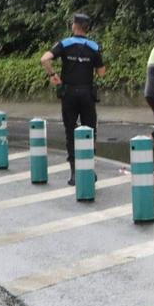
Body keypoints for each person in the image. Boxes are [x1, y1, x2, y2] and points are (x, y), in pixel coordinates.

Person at [40, 12, 106, 186]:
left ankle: (74, 173)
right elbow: (101, 72)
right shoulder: (94, 46)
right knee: (90, 131)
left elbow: (45, 59)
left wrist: (53, 75)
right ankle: (89, 170)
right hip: (86, 94)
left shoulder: (64, 44)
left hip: (68, 93)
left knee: (71, 132)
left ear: (74, 26)